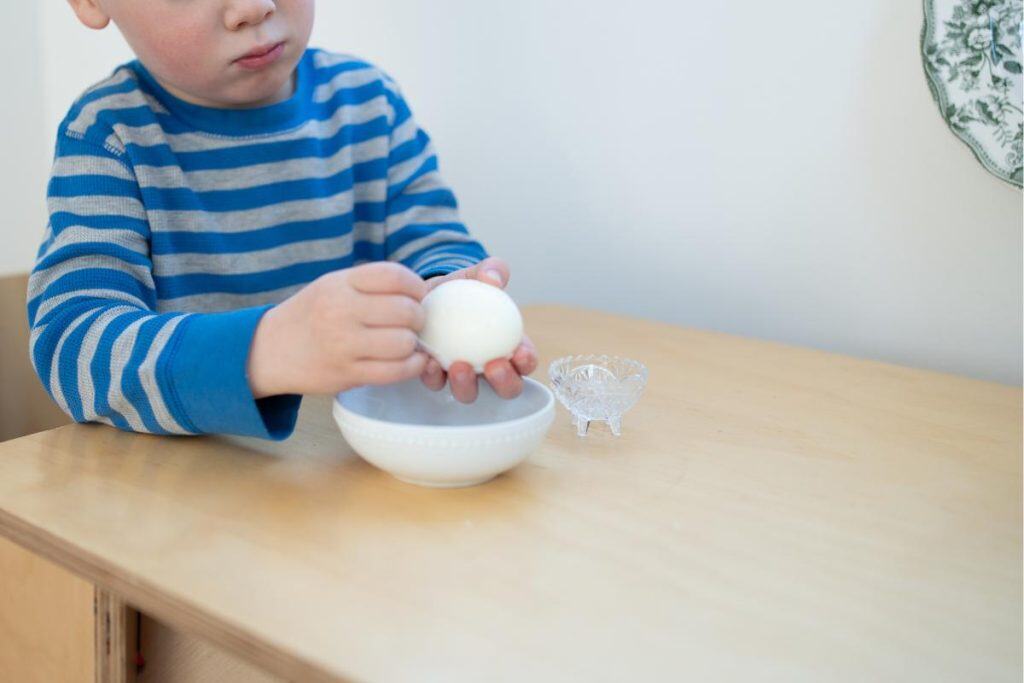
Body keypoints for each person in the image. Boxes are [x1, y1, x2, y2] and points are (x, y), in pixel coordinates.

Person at [28, 0, 537, 440]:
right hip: (188, 497)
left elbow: (434, 241)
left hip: (345, 471)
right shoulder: (107, 136)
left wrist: (449, 299)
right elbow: (73, 349)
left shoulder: (368, 105)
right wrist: (265, 352)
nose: (253, 7)